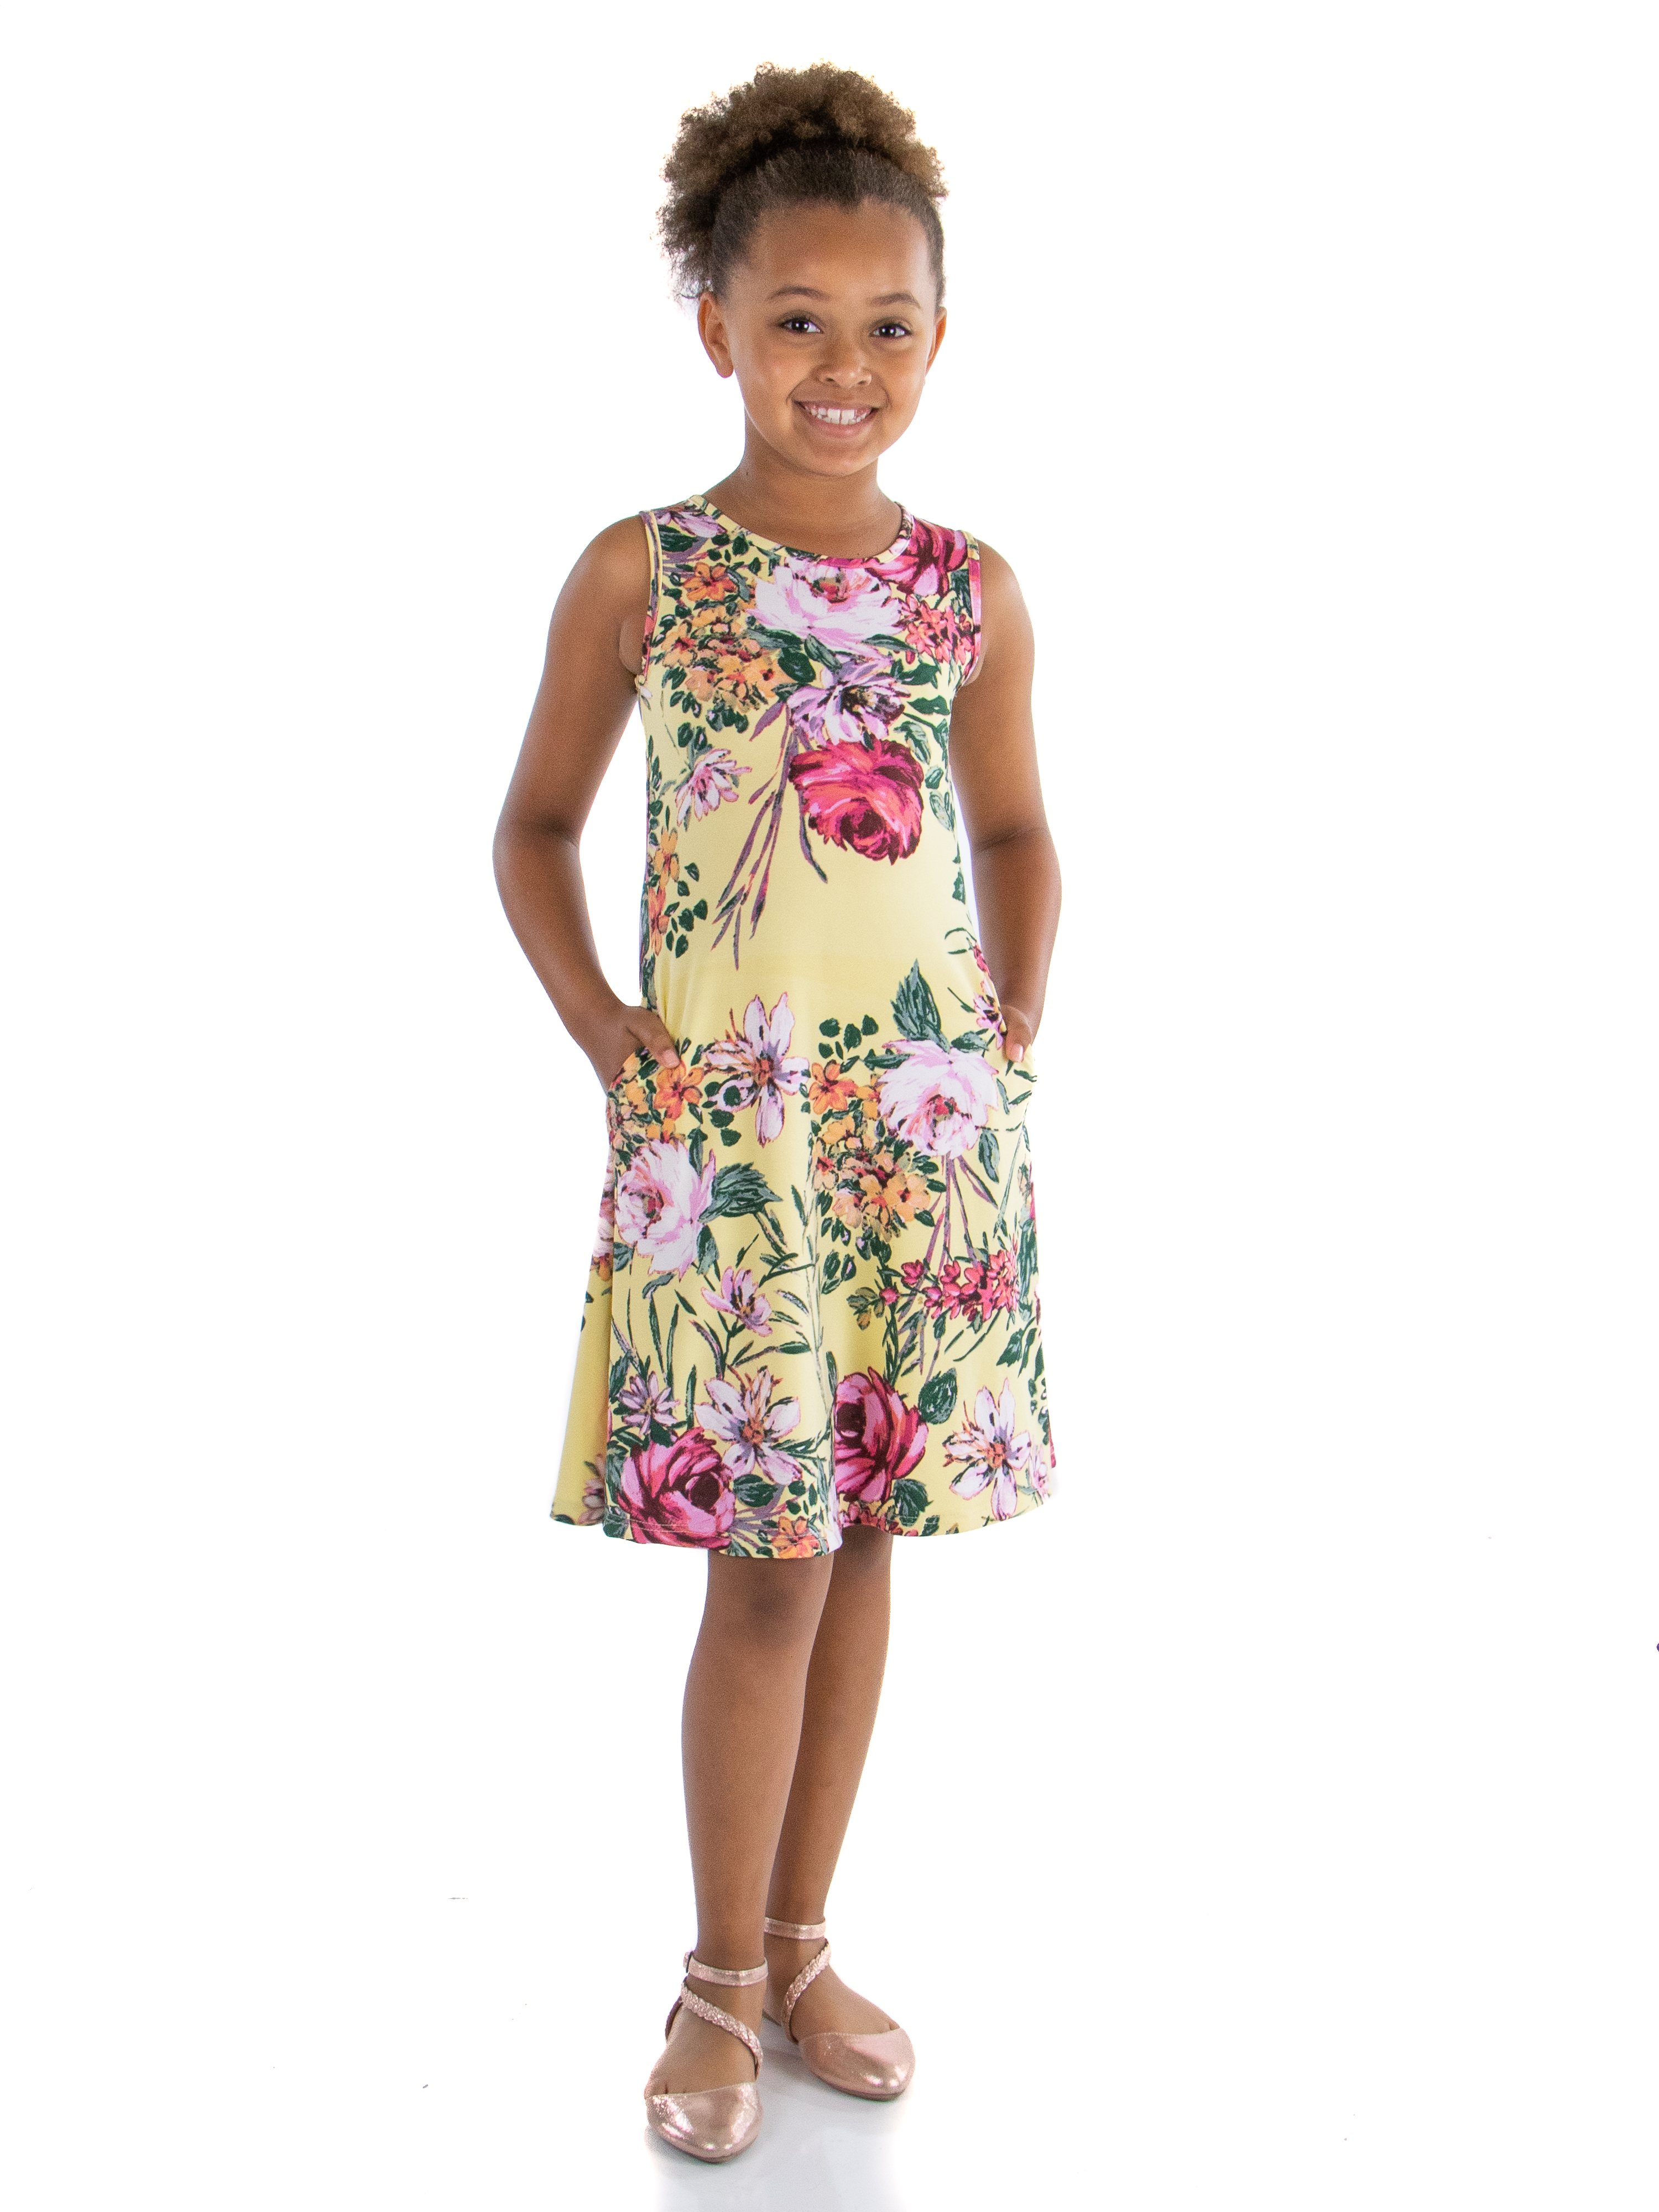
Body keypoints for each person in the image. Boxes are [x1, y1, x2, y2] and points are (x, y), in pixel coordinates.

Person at [493, 61, 1062, 2164]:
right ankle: (716, 1976)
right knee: (766, 1570)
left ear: (941, 337)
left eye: (888, 325)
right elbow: (537, 829)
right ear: (716, 328)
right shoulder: (646, 573)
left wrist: (1009, 1034)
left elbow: (1017, 832)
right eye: (798, 319)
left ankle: (807, 1949)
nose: (845, 365)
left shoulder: (970, 587)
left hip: (921, 1140)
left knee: (866, 1533)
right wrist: (611, 1037)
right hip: (731, 1150)